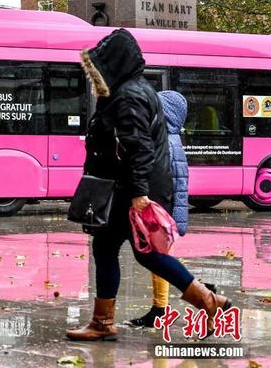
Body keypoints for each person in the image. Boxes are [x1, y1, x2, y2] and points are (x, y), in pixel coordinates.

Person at [67, 29, 230, 341]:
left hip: (129, 190)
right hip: (125, 187)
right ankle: (104, 321)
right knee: (112, 248)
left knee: (143, 253)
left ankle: (206, 301)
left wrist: (139, 193)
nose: (96, 73)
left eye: (100, 65)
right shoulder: (128, 91)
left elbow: (138, 146)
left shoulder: (128, 96)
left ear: (115, 64)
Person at [127, 90, 189, 327]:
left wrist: (174, 216)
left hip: (159, 207)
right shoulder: (169, 139)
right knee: (158, 258)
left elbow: (178, 182)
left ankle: (199, 296)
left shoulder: (166, 141)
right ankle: (160, 307)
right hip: (161, 207)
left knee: (158, 257)